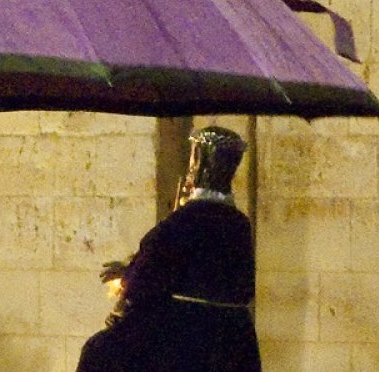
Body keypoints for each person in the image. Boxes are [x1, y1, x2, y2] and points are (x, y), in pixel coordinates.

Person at [77, 126, 261, 372]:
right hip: (237, 340)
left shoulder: (184, 220)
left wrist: (127, 276)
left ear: (198, 166)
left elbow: (147, 280)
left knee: (98, 351)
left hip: (186, 337)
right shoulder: (239, 224)